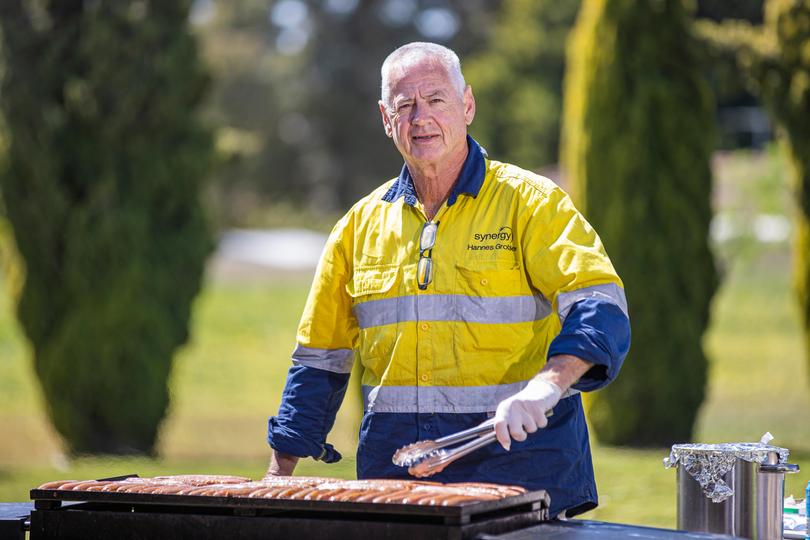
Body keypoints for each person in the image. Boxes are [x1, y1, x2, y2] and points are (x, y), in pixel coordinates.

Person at [266, 41, 630, 518]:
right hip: (395, 483)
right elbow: (320, 359)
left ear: (468, 105)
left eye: (436, 99)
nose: (421, 117)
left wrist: (547, 387)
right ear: (385, 118)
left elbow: (599, 306)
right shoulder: (357, 228)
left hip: (522, 475)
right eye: (405, 105)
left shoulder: (532, 204)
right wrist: (275, 478)